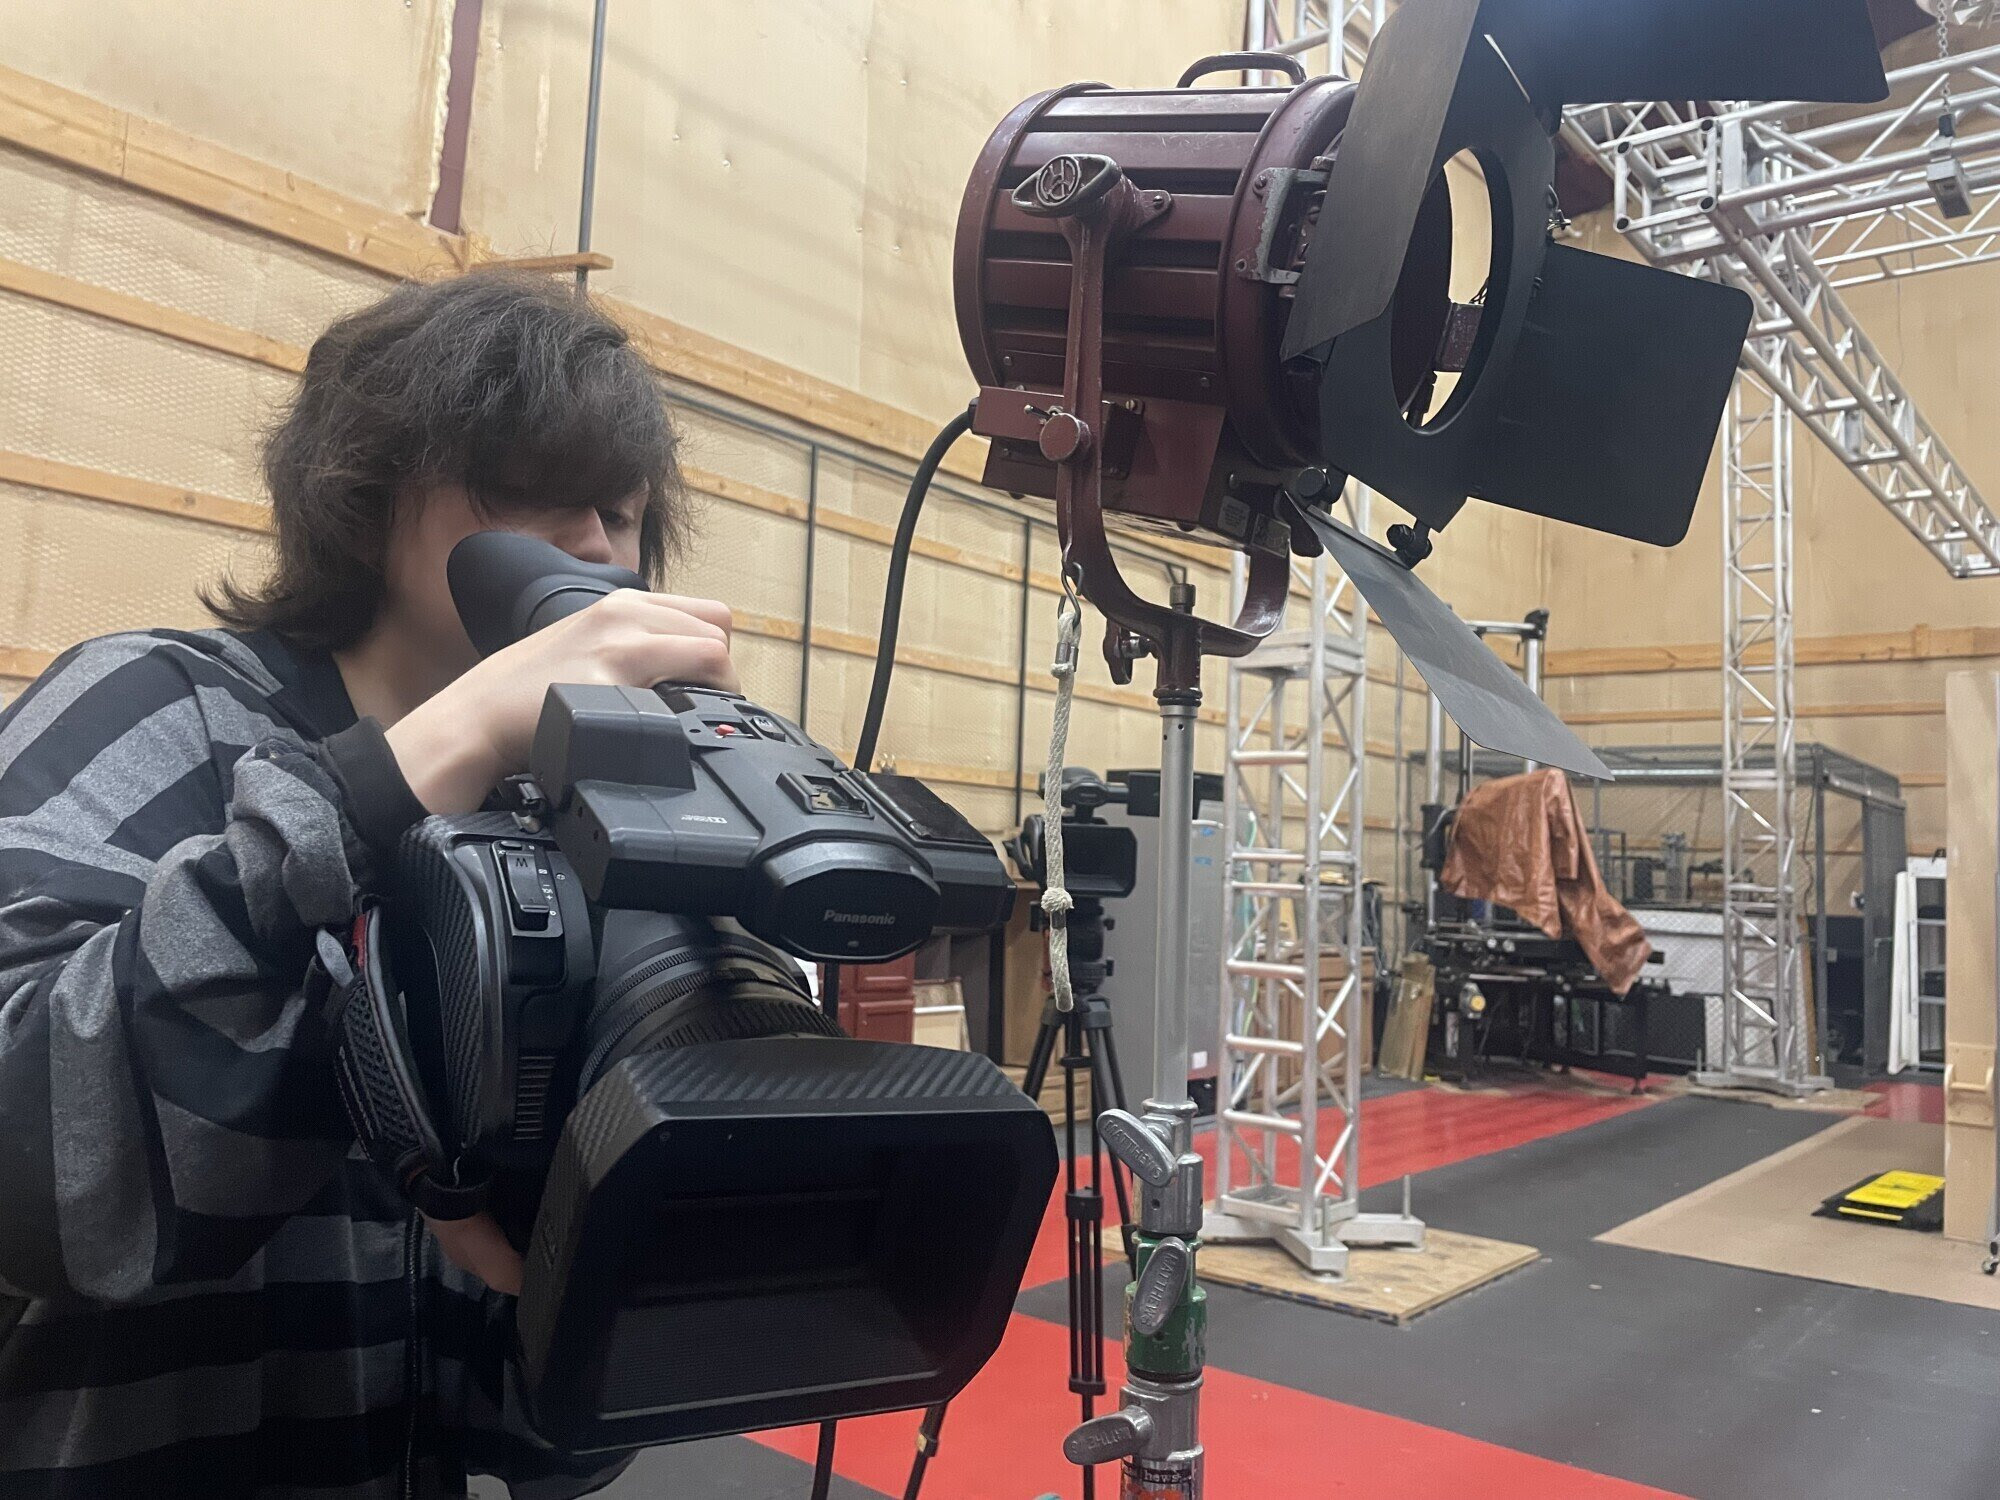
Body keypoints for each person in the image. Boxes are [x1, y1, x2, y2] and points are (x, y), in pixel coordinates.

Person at [0, 272, 743, 1498]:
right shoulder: (160, 705)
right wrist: (416, 765)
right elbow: (37, 1164)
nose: (598, 547)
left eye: (621, 509)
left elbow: (535, 1435)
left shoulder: (555, 830)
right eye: (534, 488)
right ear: (366, 497)